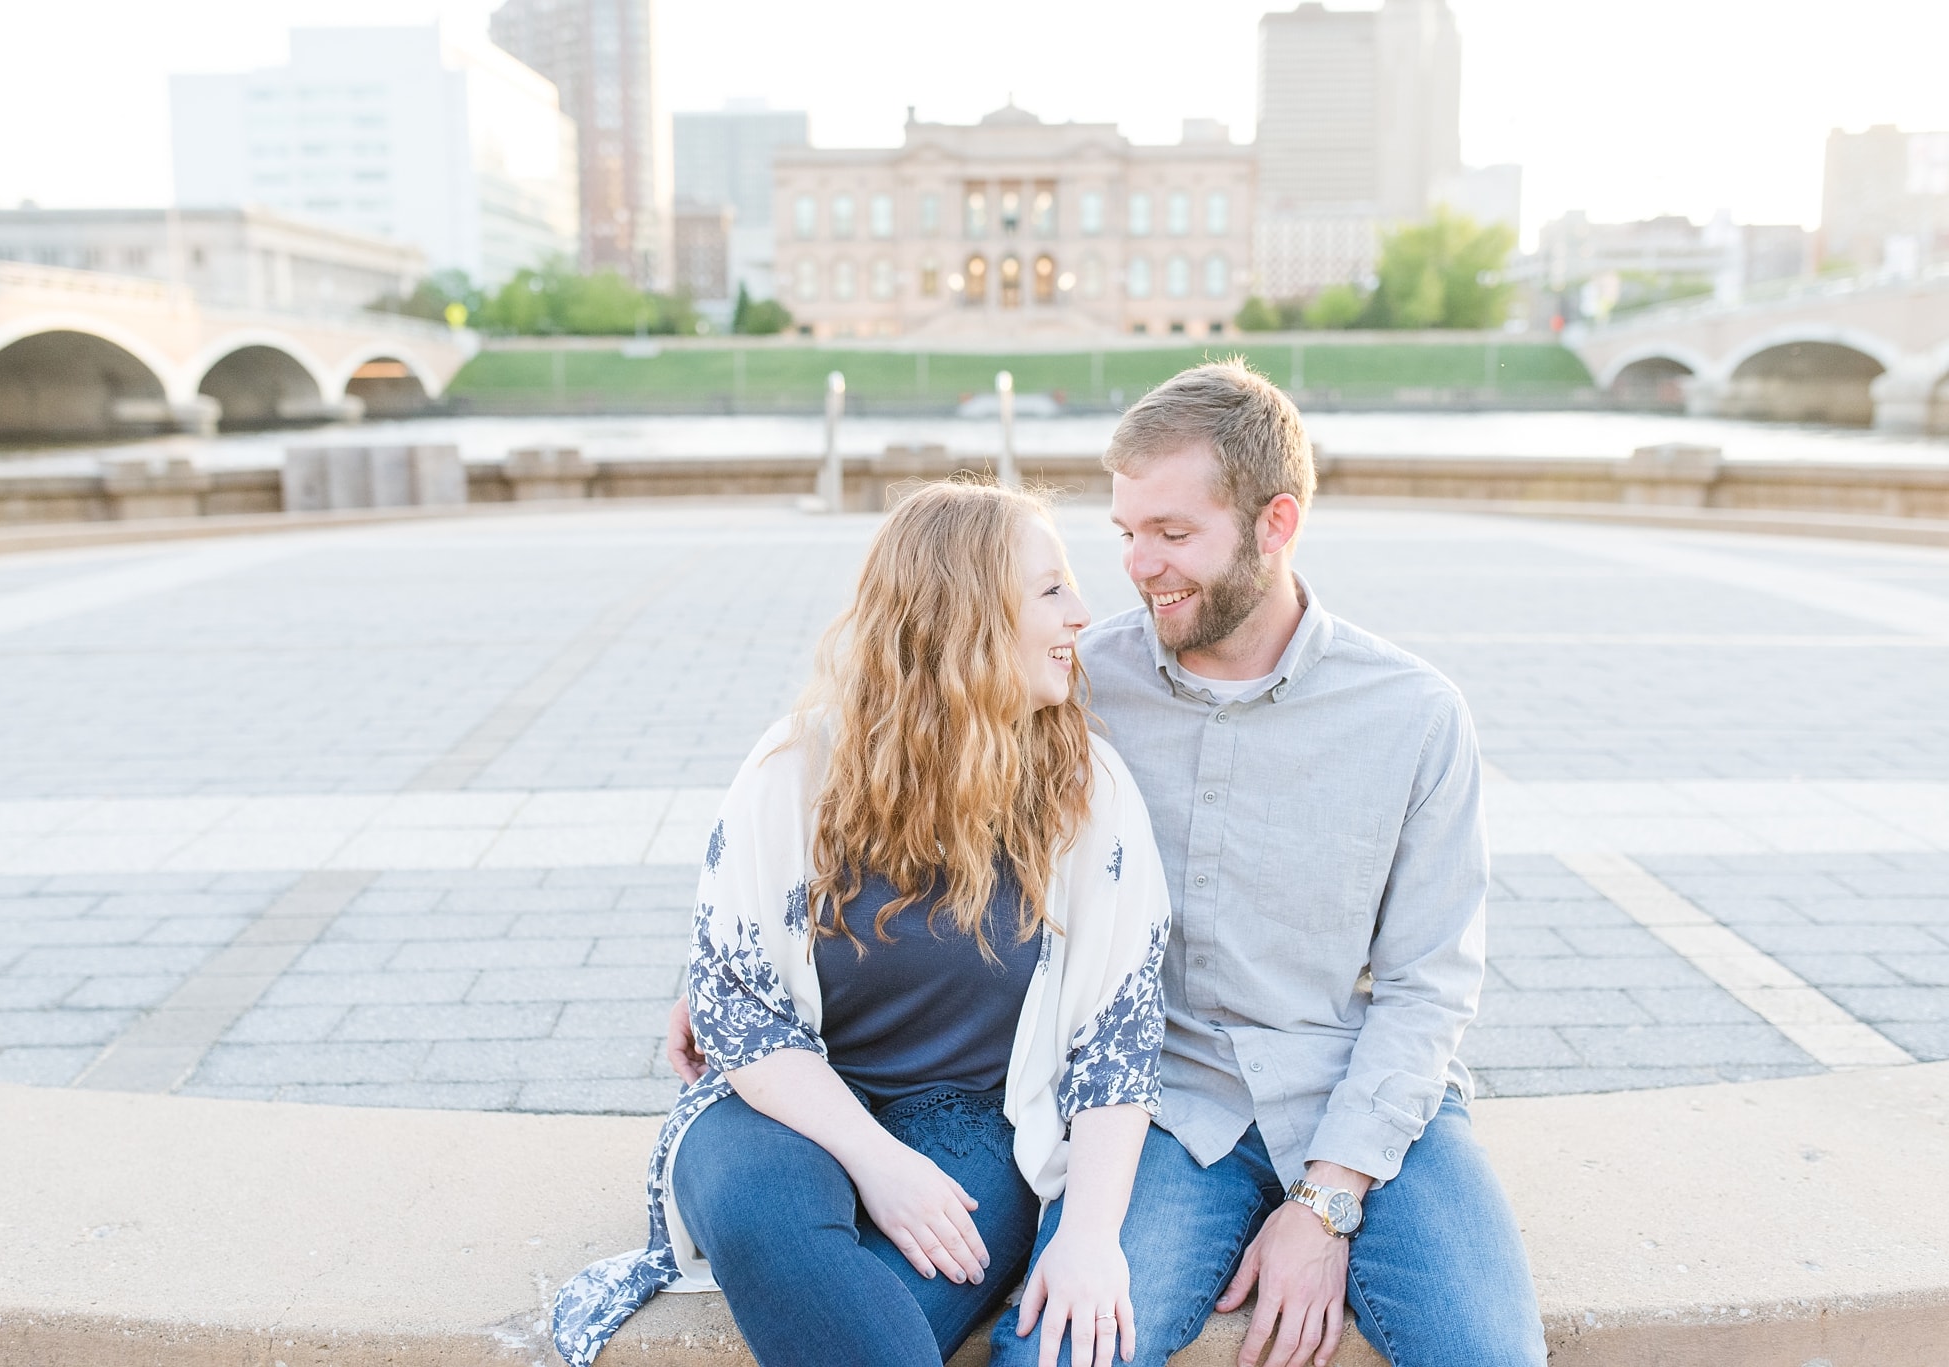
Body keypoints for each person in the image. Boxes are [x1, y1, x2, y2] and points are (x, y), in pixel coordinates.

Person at [671, 361, 1544, 1367]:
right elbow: (884, 767)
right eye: (1125, 531)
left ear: (1274, 524)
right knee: (1054, 1353)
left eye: (1172, 534)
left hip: (1365, 1098)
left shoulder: (1414, 714)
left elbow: (1429, 986)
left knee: (1485, 1352)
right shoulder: (1070, 686)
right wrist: (707, 968)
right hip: (1166, 1102)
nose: (1136, 567)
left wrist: (1325, 1196)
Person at [556, 480, 1172, 1367]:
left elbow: (1118, 1035)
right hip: (781, 1110)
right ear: (963, 614)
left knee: (867, 1327)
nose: (1083, 613)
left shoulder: (1090, 793)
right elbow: (736, 1003)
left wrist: (1088, 1232)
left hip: (972, 1128)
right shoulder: (794, 771)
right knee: (767, 1219)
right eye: (1050, 590)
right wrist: (876, 1161)